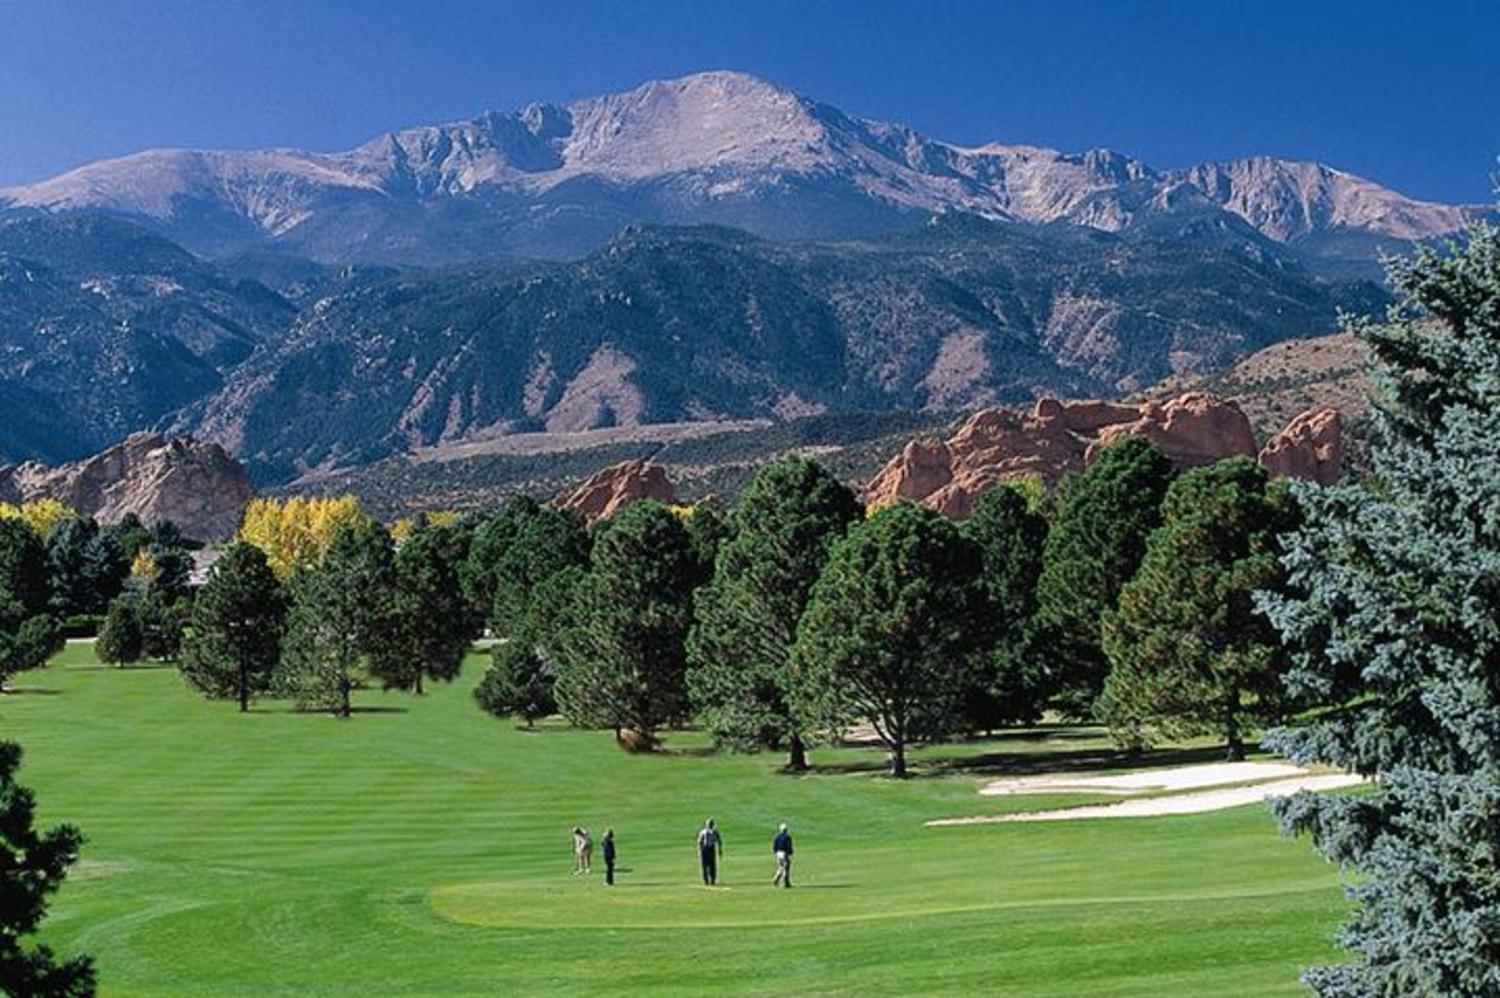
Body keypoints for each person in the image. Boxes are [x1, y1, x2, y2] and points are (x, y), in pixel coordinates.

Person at [697, 818, 723, 885]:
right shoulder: (703, 832)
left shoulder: (715, 832)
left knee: (712, 865)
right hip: (704, 849)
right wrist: (700, 850)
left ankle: (712, 880)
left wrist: (720, 850)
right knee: (704, 865)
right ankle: (706, 881)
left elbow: (719, 841)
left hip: (711, 848)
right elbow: (700, 842)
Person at [772, 822, 794, 888]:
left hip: (778, 853)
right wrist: (790, 853)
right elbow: (789, 847)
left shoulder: (777, 837)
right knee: (786, 869)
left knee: (780, 867)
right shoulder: (787, 837)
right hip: (784, 853)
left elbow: (774, 847)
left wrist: (776, 853)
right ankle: (786, 883)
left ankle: (776, 879)